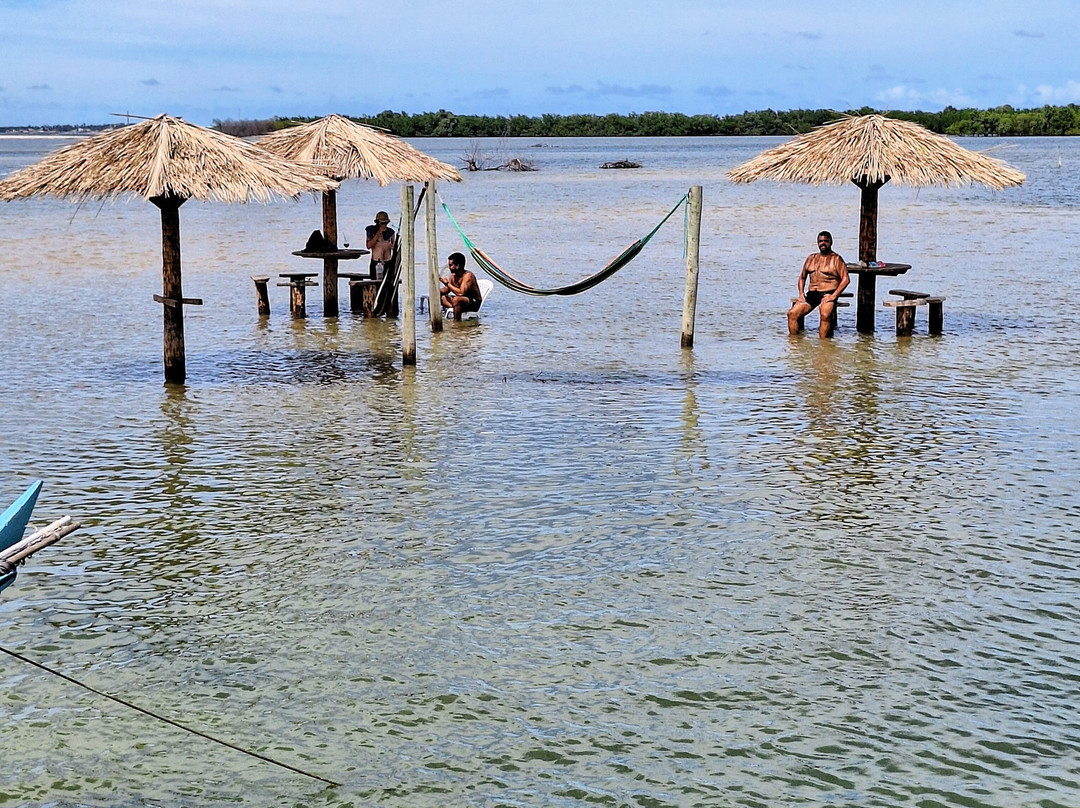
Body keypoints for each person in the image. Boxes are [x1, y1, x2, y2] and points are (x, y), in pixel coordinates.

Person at [788, 230, 850, 338]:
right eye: (821, 241)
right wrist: (801, 293)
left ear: (831, 242)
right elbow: (802, 277)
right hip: (812, 294)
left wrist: (834, 295)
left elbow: (846, 279)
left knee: (825, 315)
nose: (823, 243)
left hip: (828, 293)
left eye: (826, 241)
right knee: (792, 314)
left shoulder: (836, 259)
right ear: (817, 243)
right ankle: (795, 346)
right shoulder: (811, 258)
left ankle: (823, 349)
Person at [439, 252, 483, 319]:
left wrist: (447, 283)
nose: (449, 267)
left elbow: (461, 293)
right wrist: (436, 291)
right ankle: (434, 321)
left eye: (451, 265)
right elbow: (446, 290)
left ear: (457, 266)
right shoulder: (453, 276)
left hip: (473, 303)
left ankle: (457, 323)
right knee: (435, 297)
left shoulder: (468, 276)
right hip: (459, 301)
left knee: (456, 300)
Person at [365, 211, 395, 280]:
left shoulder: (390, 232)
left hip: (388, 262)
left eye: (386, 223)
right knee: (375, 286)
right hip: (376, 262)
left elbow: (394, 247)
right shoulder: (371, 231)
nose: (384, 225)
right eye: (382, 223)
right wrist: (379, 232)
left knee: (388, 286)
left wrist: (392, 246)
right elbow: (369, 245)